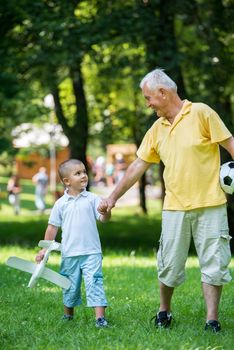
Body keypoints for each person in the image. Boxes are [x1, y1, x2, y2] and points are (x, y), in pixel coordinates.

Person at [98, 68, 234, 333]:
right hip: (174, 207)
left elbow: (230, 143)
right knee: (169, 265)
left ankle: (212, 320)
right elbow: (138, 165)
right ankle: (164, 311)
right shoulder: (157, 128)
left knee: (214, 264)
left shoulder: (202, 113)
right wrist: (113, 197)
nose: (147, 104)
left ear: (164, 92)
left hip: (211, 204)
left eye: (149, 98)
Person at [35, 159, 111, 328]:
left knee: (94, 281)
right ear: (67, 181)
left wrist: (106, 212)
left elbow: (103, 218)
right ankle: (68, 315)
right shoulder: (60, 204)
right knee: (69, 284)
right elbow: (52, 228)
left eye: (84, 171)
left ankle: (100, 318)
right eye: (78, 173)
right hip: (69, 253)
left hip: (92, 252)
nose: (84, 175)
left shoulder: (92, 199)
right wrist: (44, 250)